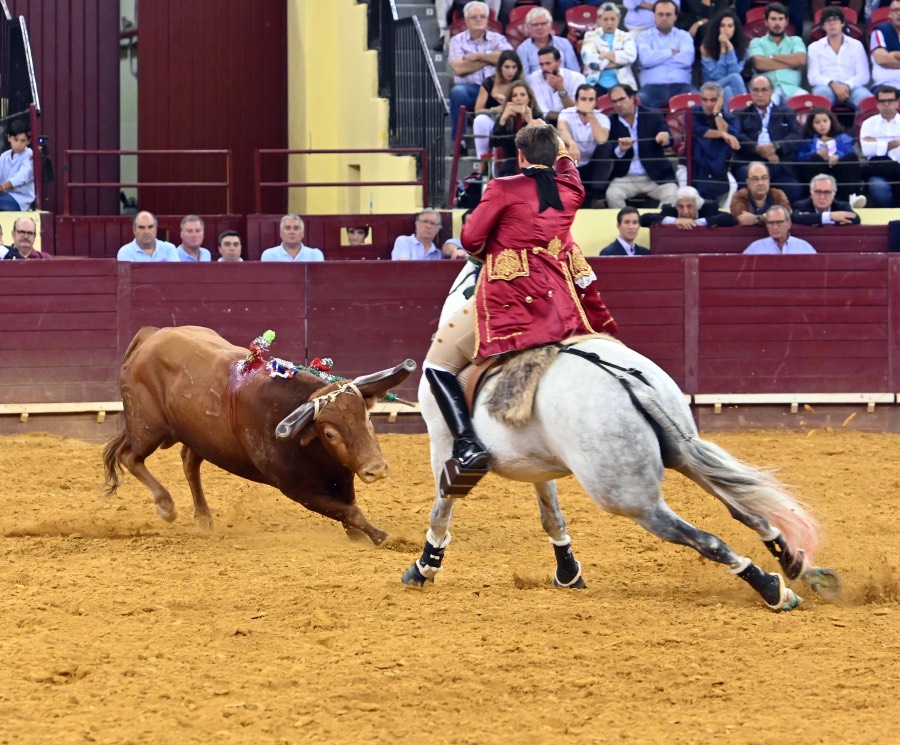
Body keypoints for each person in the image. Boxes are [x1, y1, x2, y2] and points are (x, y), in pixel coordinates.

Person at [423, 121, 617, 475]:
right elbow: (567, 164)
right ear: (557, 153)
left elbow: (470, 238)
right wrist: (552, 137)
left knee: (437, 365)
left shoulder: (503, 187)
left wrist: (495, 244)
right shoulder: (571, 189)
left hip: (510, 298)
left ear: (520, 155)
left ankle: (467, 444)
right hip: (559, 302)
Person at [448, 1, 513, 143]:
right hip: (471, 89)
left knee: (518, 91)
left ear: (487, 19)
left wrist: (476, 57)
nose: (478, 20)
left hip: (495, 87)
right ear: (466, 20)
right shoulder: (457, 41)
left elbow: (508, 58)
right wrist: (490, 58)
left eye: (482, 16)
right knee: (457, 92)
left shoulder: (498, 38)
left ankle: (510, 142)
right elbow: (459, 68)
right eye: (474, 17)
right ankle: (460, 141)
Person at [605, 84, 678, 209]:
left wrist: (664, 138)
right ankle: (626, 225)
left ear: (632, 98)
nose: (618, 104)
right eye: (614, 101)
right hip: (627, 177)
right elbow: (609, 149)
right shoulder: (611, 122)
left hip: (654, 176)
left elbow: (669, 139)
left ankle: (656, 224)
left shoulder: (653, 115)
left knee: (672, 193)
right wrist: (620, 149)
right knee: (612, 195)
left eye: (621, 99)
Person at [734, 74, 803, 202]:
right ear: (750, 92)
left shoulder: (786, 113)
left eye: (764, 90)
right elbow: (737, 136)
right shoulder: (741, 114)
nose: (760, 94)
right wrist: (757, 149)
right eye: (756, 90)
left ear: (771, 92)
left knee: (794, 189)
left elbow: (796, 136)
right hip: (750, 162)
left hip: (779, 162)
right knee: (744, 174)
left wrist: (776, 147)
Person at [635, 0, 697, 110]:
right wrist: (670, 52)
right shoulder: (643, 37)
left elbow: (687, 59)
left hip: (681, 86)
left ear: (675, 17)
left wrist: (656, 58)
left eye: (668, 14)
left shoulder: (684, 36)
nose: (664, 18)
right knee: (638, 102)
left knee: (699, 101)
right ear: (654, 16)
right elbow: (646, 59)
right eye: (660, 14)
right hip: (652, 87)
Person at [807, 7, 872, 110]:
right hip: (826, 87)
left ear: (842, 23)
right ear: (823, 26)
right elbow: (813, 77)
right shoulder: (814, 47)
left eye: (835, 19)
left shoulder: (856, 45)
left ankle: (862, 126)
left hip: (853, 87)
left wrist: (847, 85)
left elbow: (864, 75)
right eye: (828, 20)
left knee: (867, 100)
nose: (832, 24)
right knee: (820, 95)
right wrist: (832, 84)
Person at [796, 107, 864, 204]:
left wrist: (837, 156)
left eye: (825, 121)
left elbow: (849, 151)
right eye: (817, 122)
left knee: (851, 158)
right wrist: (814, 154)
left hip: (838, 167)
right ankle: (813, 198)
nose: (822, 125)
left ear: (831, 121)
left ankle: (851, 198)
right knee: (814, 159)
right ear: (811, 125)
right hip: (819, 167)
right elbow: (800, 157)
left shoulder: (843, 137)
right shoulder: (807, 141)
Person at [556, 84, 611, 202]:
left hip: (592, 166)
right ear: (576, 101)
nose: (587, 103)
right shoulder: (566, 113)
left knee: (606, 147)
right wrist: (572, 143)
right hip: (573, 162)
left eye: (591, 100)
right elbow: (562, 130)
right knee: (560, 145)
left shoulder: (602, 118)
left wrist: (590, 114)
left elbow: (601, 139)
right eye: (583, 99)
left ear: (596, 102)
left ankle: (597, 197)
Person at [690, 82, 742, 203]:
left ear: (720, 100)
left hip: (719, 165)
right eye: (704, 100)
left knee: (733, 186)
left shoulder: (730, 118)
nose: (708, 104)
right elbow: (699, 131)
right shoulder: (693, 113)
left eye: (713, 100)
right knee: (687, 192)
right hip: (693, 164)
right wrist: (722, 134)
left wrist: (716, 113)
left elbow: (730, 135)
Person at [747, 2, 808, 104]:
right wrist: (790, 62)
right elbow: (760, 64)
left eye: (780, 19)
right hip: (765, 91)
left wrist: (771, 57)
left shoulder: (796, 41)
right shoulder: (756, 42)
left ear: (786, 22)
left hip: (792, 89)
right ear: (766, 22)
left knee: (808, 103)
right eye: (773, 19)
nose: (777, 23)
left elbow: (800, 60)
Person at [472, 50, 524, 169]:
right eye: (507, 67)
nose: (510, 71)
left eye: (514, 67)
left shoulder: (521, 85)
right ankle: (482, 164)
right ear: (500, 67)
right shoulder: (489, 83)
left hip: (513, 123)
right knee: (480, 120)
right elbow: (478, 110)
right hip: (493, 120)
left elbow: (527, 106)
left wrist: (507, 106)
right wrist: (495, 109)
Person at [580, 3, 638, 96]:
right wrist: (618, 63)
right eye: (605, 19)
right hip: (595, 83)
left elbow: (630, 56)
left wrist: (604, 55)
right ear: (599, 20)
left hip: (623, 83)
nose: (609, 23)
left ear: (618, 19)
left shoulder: (627, 36)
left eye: (613, 19)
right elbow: (589, 59)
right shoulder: (590, 36)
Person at [490, 80, 543, 176]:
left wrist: (530, 122)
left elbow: (543, 145)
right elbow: (494, 143)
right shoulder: (503, 118)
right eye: (515, 95)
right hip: (511, 164)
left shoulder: (537, 116)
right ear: (510, 100)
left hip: (534, 164)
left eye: (522, 95)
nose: (519, 99)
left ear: (529, 98)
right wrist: (503, 120)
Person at [860, 84, 900, 206]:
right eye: (882, 101)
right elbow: (866, 149)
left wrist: (877, 144)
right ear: (877, 104)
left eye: (890, 101)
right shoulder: (868, 123)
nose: (886, 104)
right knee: (878, 187)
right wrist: (893, 144)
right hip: (879, 170)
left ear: (897, 102)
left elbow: (872, 146)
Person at [526, 46, 586, 126]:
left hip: (574, 124)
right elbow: (544, 112)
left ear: (559, 63)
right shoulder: (534, 79)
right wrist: (566, 117)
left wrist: (560, 88)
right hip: (547, 123)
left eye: (548, 63)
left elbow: (574, 111)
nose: (544, 68)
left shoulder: (577, 78)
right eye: (541, 64)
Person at [699, 9, 748, 106]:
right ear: (717, 28)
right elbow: (717, 76)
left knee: (728, 90)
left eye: (730, 26)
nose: (726, 29)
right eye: (722, 26)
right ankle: (747, 111)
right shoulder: (706, 48)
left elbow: (734, 71)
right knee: (734, 78)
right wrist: (723, 51)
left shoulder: (743, 50)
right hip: (710, 87)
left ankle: (731, 119)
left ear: (735, 28)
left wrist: (730, 48)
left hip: (728, 86)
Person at [515, 7, 579, 76]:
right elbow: (524, 77)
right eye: (535, 25)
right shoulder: (523, 49)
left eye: (543, 24)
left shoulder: (564, 43)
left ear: (550, 25)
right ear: (528, 27)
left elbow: (574, 72)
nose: (539, 28)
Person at [639, 185, 738, 228]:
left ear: (697, 205)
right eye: (681, 207)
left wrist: (697, 223)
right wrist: (675, 221)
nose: (685, 212)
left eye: (689, 206)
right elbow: (644, 219)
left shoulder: (708, 208)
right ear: (675, 206)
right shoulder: (669, 210)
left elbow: (730, 219)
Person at [730, 161, 791, 225]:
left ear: (769, 180)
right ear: (748, 182)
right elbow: (742, 219)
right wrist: (769, 218)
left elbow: (785, 216)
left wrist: (757, 219)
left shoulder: (778, 195)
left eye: (764, 178)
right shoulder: (740, 196)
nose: (760, 183)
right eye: (755, 179)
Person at [792, 174, 862, 226]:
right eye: (818, 192)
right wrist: (830, 216)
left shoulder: (842, 207)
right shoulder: (800, 206)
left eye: (827, 192)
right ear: (811, 193)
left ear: (834, 194)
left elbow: (856, 219)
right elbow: (796, 218)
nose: (822, 196)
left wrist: (814, 217)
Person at [743, 205, 817, 253]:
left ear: (789, 223)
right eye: (771, 223)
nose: (775, 227)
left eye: (779, 222)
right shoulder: (755, 248)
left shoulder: (804, 247)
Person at [0, 119, 34, 211]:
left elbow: (21, 177)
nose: (18, 144)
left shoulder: (29, 155)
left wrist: (3, 186)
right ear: (9, 138)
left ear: (28, 141)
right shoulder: (4, 156)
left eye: (23, 140)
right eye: (16, 139)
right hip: (4, 195)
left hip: (20, 200)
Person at [870, 0, 900, 92]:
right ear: (890, 14)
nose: (899, 13)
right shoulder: (880, 31)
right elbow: (882, 59)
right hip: (886, 85)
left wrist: (894, 54)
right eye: (895, 10)